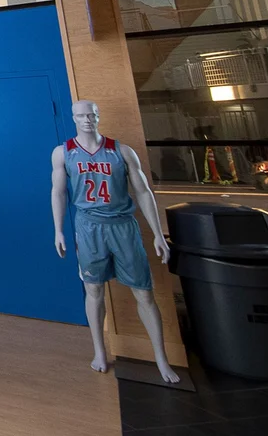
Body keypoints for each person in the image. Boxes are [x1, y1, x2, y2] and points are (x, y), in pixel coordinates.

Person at [50, 100, 180, 384]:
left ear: (98, 117)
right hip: (88, 227)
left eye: (92, 115)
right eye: (81, 115)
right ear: (73, 118)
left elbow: (143, 191)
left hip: (122, 225)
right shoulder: (63, 152)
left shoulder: (122, 151)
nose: (87, 120)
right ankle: (100, 351)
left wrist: (158, 233)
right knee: (93, 288)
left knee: (143, 291)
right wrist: (58, 230)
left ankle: (161, 358)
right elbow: (58, 192)